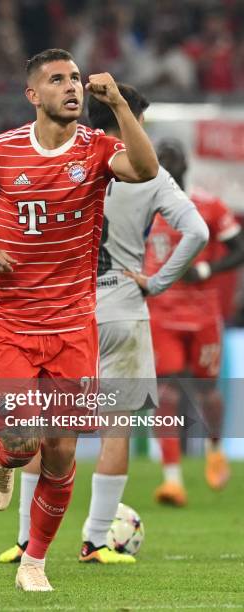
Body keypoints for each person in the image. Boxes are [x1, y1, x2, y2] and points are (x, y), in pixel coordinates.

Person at [0, 48, 158, 592]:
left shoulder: (97, 148)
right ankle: (3, 456)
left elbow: (146, 169)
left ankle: (34, 563)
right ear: (32, 95)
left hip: (71, 327)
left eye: (76, 79)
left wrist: (119, 108)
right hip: (12, 323)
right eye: (57, 79)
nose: (72, 86)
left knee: (62, 451)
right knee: (21, 441)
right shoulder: (0, 151)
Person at [0, 85, 209, 566]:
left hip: (64, 311)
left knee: (48, 426)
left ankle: (27, 540)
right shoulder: (150, 174)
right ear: (130, 119)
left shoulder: (68, 159)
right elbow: (198, 231)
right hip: (123, 309)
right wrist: (156, 283)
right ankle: (95, 541)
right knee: (116, 430)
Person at [145, 138, 244, 506]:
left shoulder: (209, 206)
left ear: (185, 164)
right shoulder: (144, 207)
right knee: (165, 392)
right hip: (162, 314)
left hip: (203, 315)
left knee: (207, 391)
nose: (167, 165)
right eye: (161, 160)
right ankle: (172, 479)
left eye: (172, 158)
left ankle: (216, 449)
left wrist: (206, 269)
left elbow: (239, 249)